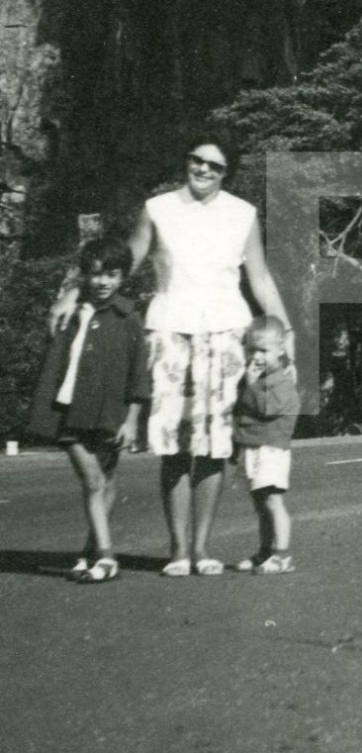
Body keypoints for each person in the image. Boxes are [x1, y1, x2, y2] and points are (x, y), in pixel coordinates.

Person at [50, 134, 294, 577]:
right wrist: (73, 291)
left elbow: (259, 278)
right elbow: (124, 261)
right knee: (176, 449)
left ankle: (203, 550)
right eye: (196, 161)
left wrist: (283, 328)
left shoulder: (243, 214)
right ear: (187, 162)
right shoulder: (158, 208)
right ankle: (179, 550)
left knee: (216, 448)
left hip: (226, 335)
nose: (202, 170)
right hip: (168, 333)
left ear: (226, 173)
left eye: (214, 166)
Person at [29, 237, 151, 583]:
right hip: (69, 414)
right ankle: (108, 558)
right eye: (95, 275)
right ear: (85, 276)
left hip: (110, 416)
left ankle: (90, 553)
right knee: (94, 481)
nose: (103, 282)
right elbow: (52, 359)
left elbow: (139, 375)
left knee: (107, 482)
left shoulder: (128, 317)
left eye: (111, 274)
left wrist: (131, 421)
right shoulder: (69, 312)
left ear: (123, 276)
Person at [233, 315, 300, 574]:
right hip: (254, 446)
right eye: (251, 349)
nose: (256, 357)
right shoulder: (258, 377)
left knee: (273, 501)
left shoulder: (280, 380)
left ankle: (282, 555)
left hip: (271, 449)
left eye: (263, 350)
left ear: (280, 350)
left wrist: (249, 386)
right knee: (261, 505)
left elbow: (265, 407)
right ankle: (265, 551)